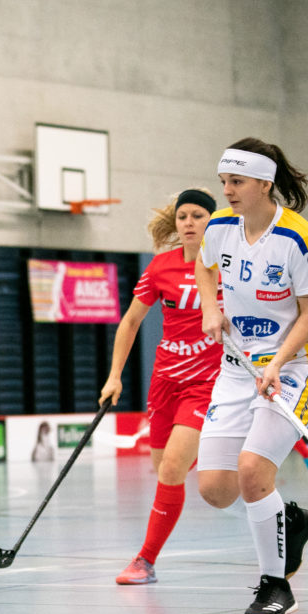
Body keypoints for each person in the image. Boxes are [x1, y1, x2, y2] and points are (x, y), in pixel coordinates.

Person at [196, 138, 308, 614]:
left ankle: (275, 586)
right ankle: (291, 519)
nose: (227, 190)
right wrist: (211, 307)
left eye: (237, 182)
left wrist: (276, 363)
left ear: (264, 184)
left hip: (293, 367)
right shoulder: (220, 228)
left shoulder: (299, 238)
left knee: (252, 472)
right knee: (216, 488)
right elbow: (204, 266)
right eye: (224, 181)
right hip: (235, 371)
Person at [101, 188, 222, 585]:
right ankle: (220, 454)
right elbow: (131, 322)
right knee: (165, 470)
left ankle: (144, 561)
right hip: (165, 380)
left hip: (205, 383)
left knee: (172, 468)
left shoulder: (229, 267)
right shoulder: (160, 267)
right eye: (183, 216)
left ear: (213, 221)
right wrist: (114, 375)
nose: (189, 222)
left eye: (198, 216)